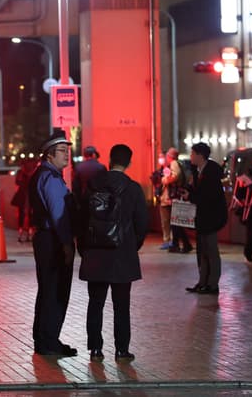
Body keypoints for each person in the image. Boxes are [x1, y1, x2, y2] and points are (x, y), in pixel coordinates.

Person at [79, 144, 148, 363]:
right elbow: (142, 223)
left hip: (95, 254)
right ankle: (121, 349)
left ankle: (95, 349)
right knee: (121, 305)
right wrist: (132, 245)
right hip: (122, 255)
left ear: (109, 160)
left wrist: (85, 247)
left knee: (95, 303)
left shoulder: (93, 185)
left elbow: (81, 219)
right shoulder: (133, 189)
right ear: (129, 163)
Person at [29, 130, 78, 357]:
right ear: (49, 155)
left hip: (46, 238)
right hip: (53, 240)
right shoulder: (51, 178)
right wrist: (66, 243)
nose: (66, 154)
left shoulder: (42, 175)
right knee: (56, 291)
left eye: (67, 150)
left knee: (47, 290)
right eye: (61, 151)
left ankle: (43, 339)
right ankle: (49, 341)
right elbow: (59, 213)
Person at [184, 142, 228, 295]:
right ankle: (203, 282)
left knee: (211, 251)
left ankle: (212, 284)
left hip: (211, 217)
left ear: (200, 155)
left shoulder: (211, 173)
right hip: (202, 217)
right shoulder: (198, 172)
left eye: (192, 154)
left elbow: (208, 197)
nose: (191, 157)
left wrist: (191, 196)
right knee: (202, 251)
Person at [160, 148, 192, 253]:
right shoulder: (177, 164)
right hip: (174, 197)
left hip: (172, 198)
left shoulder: (173, 164)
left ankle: (182, 244)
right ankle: (178, 244)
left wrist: (164, 180)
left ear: (169, 156)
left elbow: (174, 176)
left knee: (176, 223)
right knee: (176, 223)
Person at [11, 158, 37, 242]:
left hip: (23, 195)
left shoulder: (21, 173)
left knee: (22, 216)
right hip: (30, 196)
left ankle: (21, 234)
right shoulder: (33, 173)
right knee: (30, 215)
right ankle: (29, 234)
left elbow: (17, 182)